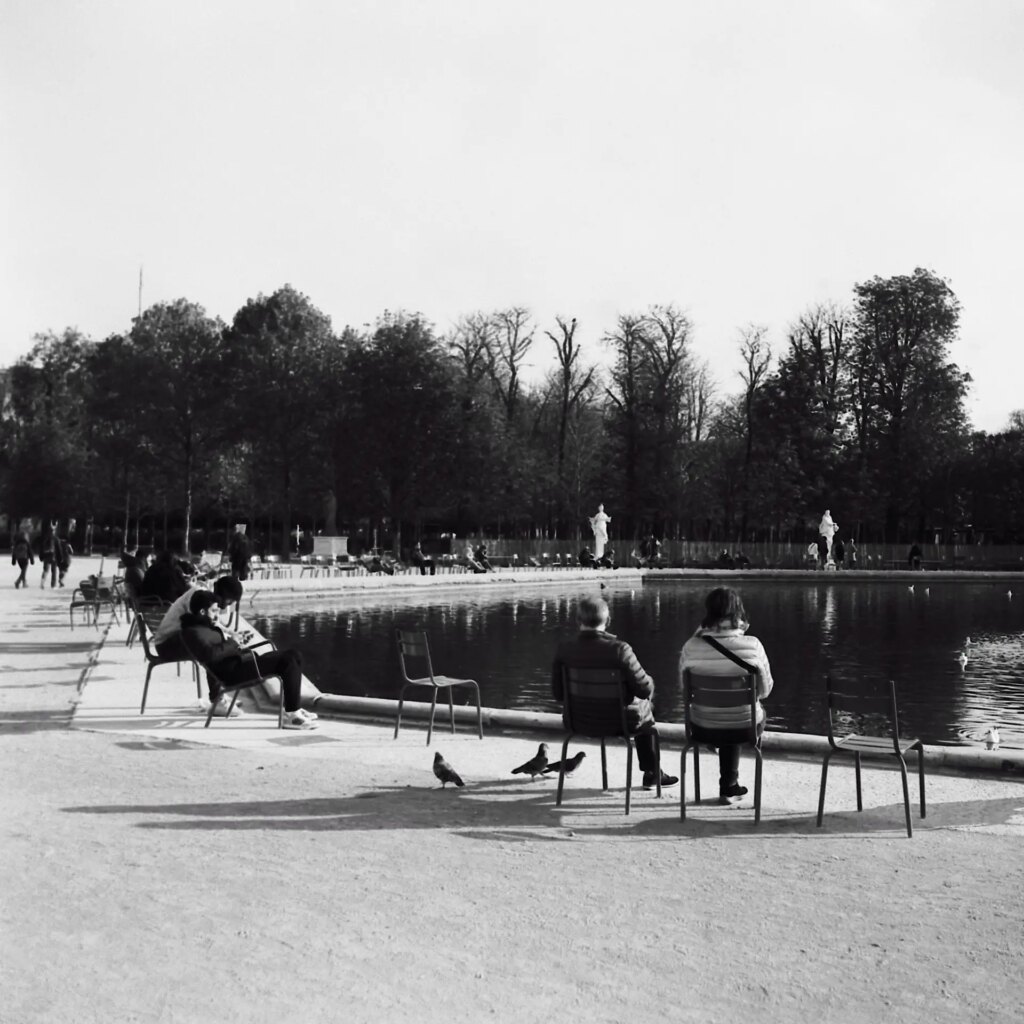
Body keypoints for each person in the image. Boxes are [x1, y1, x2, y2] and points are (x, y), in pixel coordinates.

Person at [551, 595, 677, 790]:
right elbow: (644, 689)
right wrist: (649, 682)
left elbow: (558, 694)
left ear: (578, 621)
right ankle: (652, 773)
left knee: (643, 706)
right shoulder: (620, 649)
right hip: (620, 723)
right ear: (608, 621)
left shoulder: (564, 649)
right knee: (646, 711)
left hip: (578, 721)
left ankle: (653, 773)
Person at [678, 587, 774, 803]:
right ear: (739, 614)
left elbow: (684, 693)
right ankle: (729, 785)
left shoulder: (691, 647)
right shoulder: (753, 646)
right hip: (744, 728)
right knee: (742, 712)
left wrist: (697, 635)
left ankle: (727, 780)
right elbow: (765, 691)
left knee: (722, 713)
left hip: (702, 725)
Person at [179, 590, 317, 730]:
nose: (217, 615)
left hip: (240, 662)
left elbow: (220, 649)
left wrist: (236, 640)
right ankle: (292, 716)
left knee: (294, 654)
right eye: (214, 611)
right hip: (233, 673)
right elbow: (210, 655)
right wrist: (233, 642)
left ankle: (294, 708)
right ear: (202, 611)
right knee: (287, 661)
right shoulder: (192, 632)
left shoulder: (204, 627)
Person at [153, 576, 247, 715]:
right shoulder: (198, 596)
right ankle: (218, 699)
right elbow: (202, 632)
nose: (227, 606)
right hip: (167, 645)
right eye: (229, 601)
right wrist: (229, 640)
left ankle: (219, 692)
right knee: (214, 644)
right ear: (224, 593)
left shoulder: (207, 596)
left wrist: (231, 633)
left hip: (175, 639)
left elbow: (211, 624)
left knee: (218, 640)